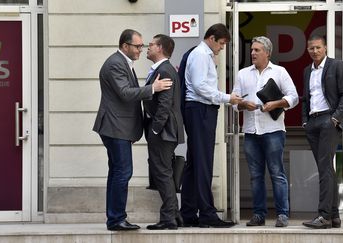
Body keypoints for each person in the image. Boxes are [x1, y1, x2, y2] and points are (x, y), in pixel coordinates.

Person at [93, 29, 172, 231]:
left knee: (117, 172)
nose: (141, 49)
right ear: (125, 46)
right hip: (114, 127)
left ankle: (114, 218)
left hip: (118, 126)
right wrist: (154, 88)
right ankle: (117, 218)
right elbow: (126, 93)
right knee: (123, 172)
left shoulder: (123, 63)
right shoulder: (115, 64)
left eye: (142, 45)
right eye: (137, 46)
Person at [180, 23, 242, 228]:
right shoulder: (200, 54)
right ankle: (207, 213)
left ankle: (188, 212)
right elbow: (199, 86)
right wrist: (226, 98)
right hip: (200, 110)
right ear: (212, 38)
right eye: (222, 43)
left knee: (195, 162)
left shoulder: (204, 55)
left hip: (200, 110)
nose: (222, 48)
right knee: (203, 162)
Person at [232, 36, 298, 227]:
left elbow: (293, 97)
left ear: (267, 53)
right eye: (252, 50)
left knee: (277, 173)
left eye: (257, 50)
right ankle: (259, 214)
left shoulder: (280, 72)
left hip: (273, 131)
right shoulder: (243, 74)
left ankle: (282, 215)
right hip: (251, 132)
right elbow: (235, 104)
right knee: (255, 176)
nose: (252, 53)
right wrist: (243, 104)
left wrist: (275, 104)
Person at [301, 35, 343, 229]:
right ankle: (334, 216)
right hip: (313, 122)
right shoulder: (307, 71)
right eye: (311, 48)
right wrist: (305, 121)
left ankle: (323, 216)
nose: (315, 51)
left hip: (328, 120)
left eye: (318, 48)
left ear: (326, 48)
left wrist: (334, 119)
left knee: (324, 169)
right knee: (326, 169)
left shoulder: (337, 66)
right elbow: (306, 98)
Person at [143, 34, 185, 230]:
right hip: (166, 131)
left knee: (162, 173)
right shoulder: (163, 69)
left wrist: (155, 129)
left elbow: (165, 105)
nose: (147, 47)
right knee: (164, 172)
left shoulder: (165, 70)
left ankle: (168, 218)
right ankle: (174, 215)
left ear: (160, 48)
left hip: (164, 131)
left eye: (151, 45)